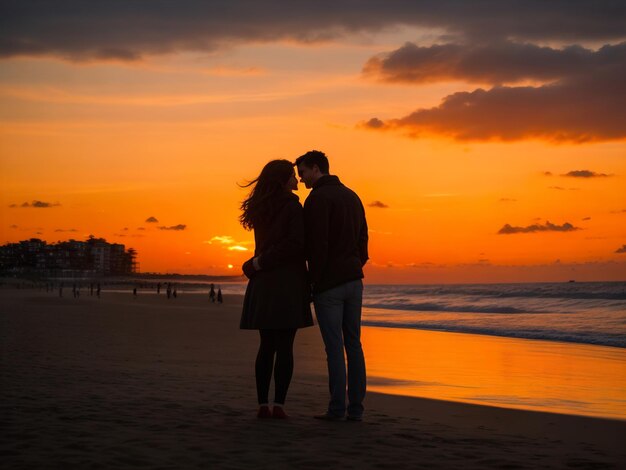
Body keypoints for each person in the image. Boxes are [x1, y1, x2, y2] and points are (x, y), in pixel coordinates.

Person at [295, 150, 369, 422]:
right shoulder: (352, 196)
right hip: (353, 280)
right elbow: (364, 239)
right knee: (354, 345)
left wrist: (314, 281)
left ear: (316, 168)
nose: (301, 179)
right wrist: (355, 265)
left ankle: (337, 408)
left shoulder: (317, 199)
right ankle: (356, 410)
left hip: (330, 283)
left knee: (335, 347)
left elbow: (317, 245)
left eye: (302, 172)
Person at [239, 159, 313, 419]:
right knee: (284, 346)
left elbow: (270, 245)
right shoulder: (292, 207)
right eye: (292, 176)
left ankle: (262, 404)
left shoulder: (261, 208)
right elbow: (294, 245)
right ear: (283, 180)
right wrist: (261, 262)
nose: (297, 180)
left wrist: (258, 263)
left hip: (263, 281)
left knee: (266, 345)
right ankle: (279, 405)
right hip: (287, 282)